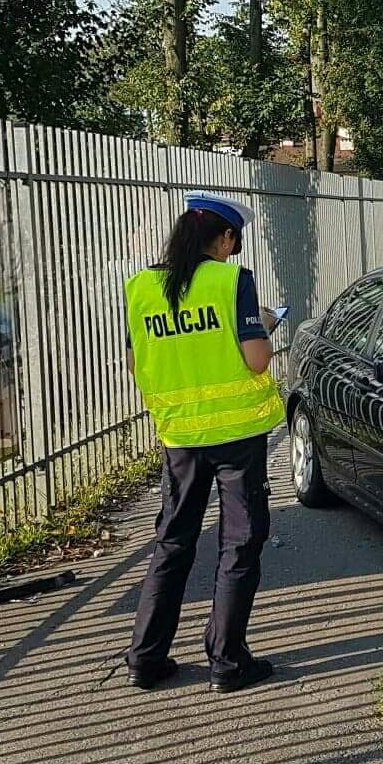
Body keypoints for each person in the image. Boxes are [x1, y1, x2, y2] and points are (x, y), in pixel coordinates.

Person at [123, 193, 284, 692]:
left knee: (172, 542)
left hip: (180, 437)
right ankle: (227, 663)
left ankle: (145, 659)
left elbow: (137, 363)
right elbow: (256, 359)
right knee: (239, 542)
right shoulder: (231, 281)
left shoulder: (142, 286)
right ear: (226, 238)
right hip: (236, 435)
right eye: (235, 242)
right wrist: (268, 324)